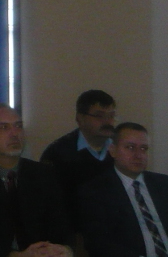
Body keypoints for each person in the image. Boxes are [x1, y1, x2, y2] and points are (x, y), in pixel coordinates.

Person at [0, 104, 73, 257]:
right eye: (3, 127)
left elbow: (62, 225)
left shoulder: (44, 174)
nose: (14, 134)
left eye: (18, 126)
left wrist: (65, 249)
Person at [79, 122, 168, 257]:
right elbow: (98, 242)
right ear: (113, 150)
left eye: (143, 148)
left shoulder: (165, 184)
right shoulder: (95, 191)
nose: (138, 155)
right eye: (130, 147)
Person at [40, 89, 117, 230]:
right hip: (76, 232)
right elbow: (51, 206)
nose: (108, 122)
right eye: (99, 116)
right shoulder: (58, 154)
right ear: (80, 119)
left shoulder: (120, 150)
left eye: (111, 116)